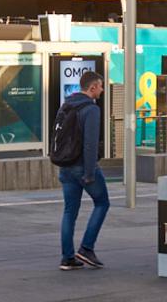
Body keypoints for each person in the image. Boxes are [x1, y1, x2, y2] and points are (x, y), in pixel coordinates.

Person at [57, 70, 109, 271]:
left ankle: (67, 258)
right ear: (93, 87)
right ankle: (86, 248)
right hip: (82, 166)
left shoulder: (67, 105)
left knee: (70, 211)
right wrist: (89, 173)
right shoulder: (91, 110)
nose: (102, 90)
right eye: (101, 86)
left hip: (65, 166)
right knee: (102, 203)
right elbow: (90, 144)